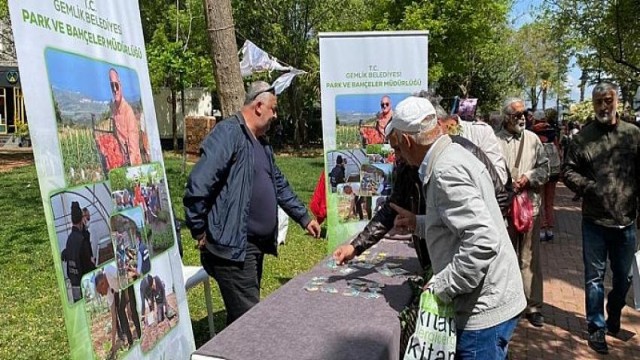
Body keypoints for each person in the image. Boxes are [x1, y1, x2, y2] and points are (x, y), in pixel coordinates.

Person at [383, 96, 526, 358]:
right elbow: (460, 225)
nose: (399, 157)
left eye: (397, 148)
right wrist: (418, 223)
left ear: (406, 140)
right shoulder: (453, 153)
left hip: (484, 312)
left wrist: (442, 286)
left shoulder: (445, 170)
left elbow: (482, 241)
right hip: (492, 299)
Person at [183, 81, 321, 325]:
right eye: (274, 109)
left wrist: (304, 217)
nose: (276, 116)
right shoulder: (228, 133)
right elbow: (198, 184)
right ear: (259, 106)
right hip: (233, 248)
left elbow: (278, 184)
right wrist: (199, 230)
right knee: (251, 323)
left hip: (253, 248)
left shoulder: (262, 144)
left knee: (241, 320)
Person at [334, 100, 512, 269]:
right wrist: (356, 246)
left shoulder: (450, 166)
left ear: (409, 142)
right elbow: (393, 208)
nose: (396, 156)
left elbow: (481, 235)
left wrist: (444, 283)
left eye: (397, 148)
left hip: (469, 269)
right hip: (443, 261)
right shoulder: (410, 165)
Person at [562, 82, 639, 355]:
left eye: (608, 100)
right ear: (593, 104)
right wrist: (590, 188)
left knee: (625, 279)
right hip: (594, 221)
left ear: (616, 100)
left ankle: (614, 311)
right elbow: (568, 172)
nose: (604, 106)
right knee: (593, 278)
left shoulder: (633, 134)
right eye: (599, 102)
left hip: (626, 221)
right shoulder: (582, 138)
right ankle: (596, 327)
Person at [496, 98, 549, 328]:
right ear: (506, 117)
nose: (522, 118)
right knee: (505, 257)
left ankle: (534, 305)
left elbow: (546, 168)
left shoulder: (533, 139)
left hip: (530, 207)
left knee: (529, 257)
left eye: (524, 113)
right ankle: (509, 303)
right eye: (516, 114)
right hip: (504, 208)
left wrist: (528, 178)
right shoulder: (494, 140)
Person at [95, 265, 141, 355]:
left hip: (129, 282)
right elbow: (113, 316)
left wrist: (128, 304)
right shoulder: (108, 292)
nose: (102, 295)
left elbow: (126, 277)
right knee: (120, 312)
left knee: (132, 310)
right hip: (122, 288)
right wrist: (112, 344)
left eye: (100, 292)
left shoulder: (109, 270)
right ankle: (130, 341)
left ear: (102, 283)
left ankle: (140, 335)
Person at [531, 109, 562, 241]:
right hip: (554, 170)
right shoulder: (553, 131)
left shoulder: (532, 132)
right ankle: (550, 229)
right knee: (550, 201)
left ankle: (542, 229)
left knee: (541, 199)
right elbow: (558, 149)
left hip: (541, 169)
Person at [61, 201, 96, 302]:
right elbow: (88, 265)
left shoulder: (70, 239)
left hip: (74, 284)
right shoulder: (81, 240)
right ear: (81, 219)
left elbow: (66, 256)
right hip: (83, 285)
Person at [109, 68, 142, 166]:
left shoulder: (128, 112)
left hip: (133, 164)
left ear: (120, 85)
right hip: (121, 160)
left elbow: (133, 145)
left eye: (116, 85)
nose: (115, 89)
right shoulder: (114, 108)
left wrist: (129, 166)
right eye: (112, 86)